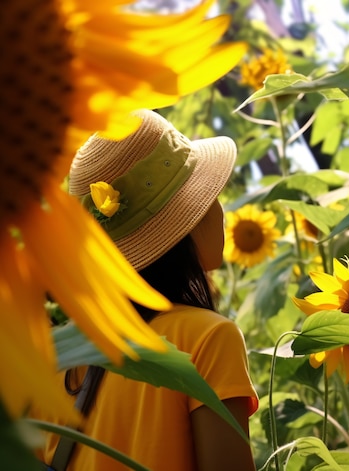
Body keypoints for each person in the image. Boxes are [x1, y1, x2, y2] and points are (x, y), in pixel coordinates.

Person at [37, 109, 258, 471]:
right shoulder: (207, 339)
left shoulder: (60, 362)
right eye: (210, 193)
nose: (219, 208)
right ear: (189, 217)